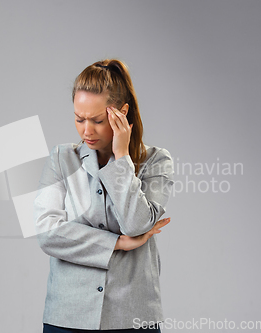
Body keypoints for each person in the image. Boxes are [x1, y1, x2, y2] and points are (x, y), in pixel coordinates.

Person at [33, 59, 175, 332]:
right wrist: (117, 244)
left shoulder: (156, 161)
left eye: (97, 120)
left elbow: (136, 223)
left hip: (133, 315)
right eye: (79, 118)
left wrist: (122, 159)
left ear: (122, 113)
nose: (87, 130)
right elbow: (47, 233)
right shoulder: (62, 159)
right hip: (68, 315)